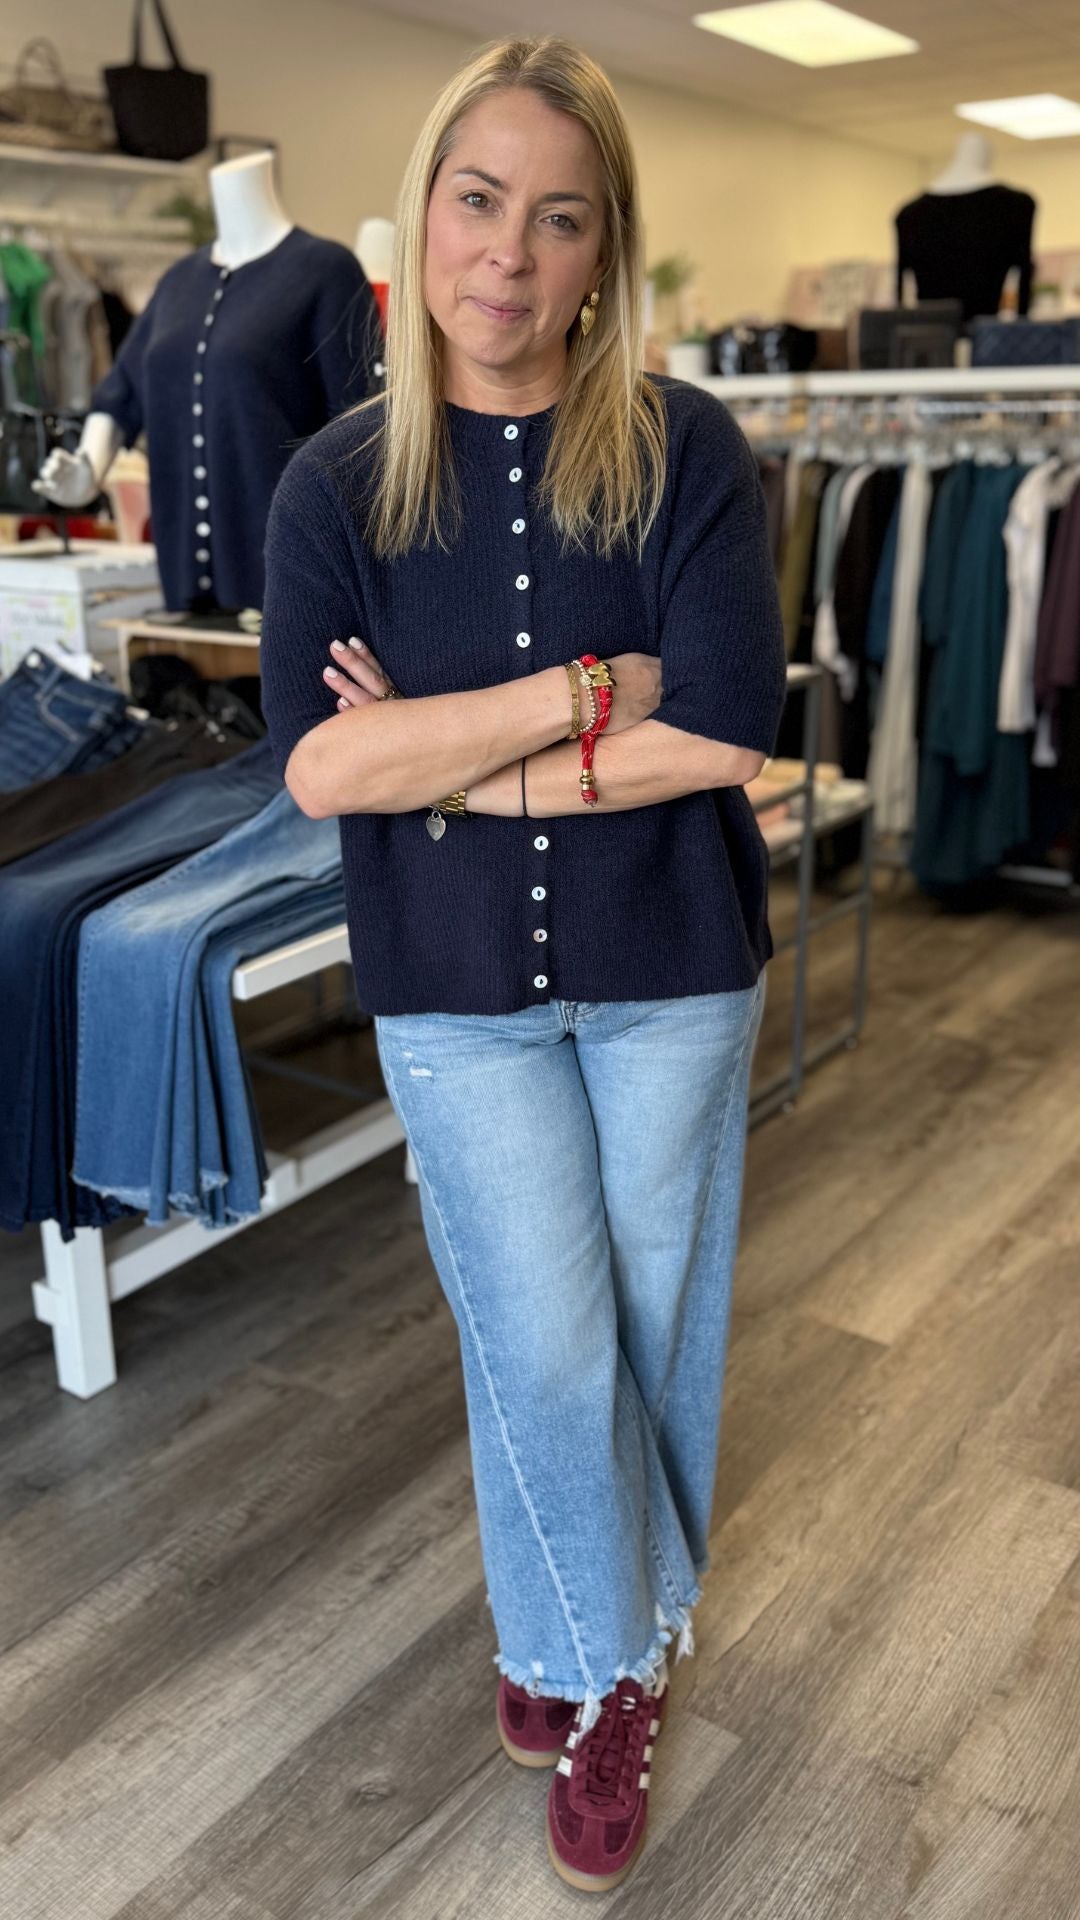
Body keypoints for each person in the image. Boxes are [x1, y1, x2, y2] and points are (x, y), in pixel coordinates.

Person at [260, 34, 786, 1895]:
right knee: (540, 1341)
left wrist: (450, 767)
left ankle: (561, 1642)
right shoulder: (335, 483)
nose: (510, 253)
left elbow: (724, 728)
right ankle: (624, 1660)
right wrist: (564, 706)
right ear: (422, 215)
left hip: (673, 971)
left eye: (559, 220)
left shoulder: (686, 449)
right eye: (479, 201)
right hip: (452, 998)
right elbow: (326, 765)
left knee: (647, 1338)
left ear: (603, 249)